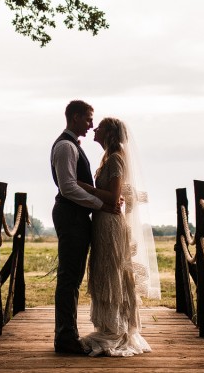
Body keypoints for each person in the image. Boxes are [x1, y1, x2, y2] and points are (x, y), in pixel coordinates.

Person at [77, 117, 161, 357]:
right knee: (106, 272)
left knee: (112, 273)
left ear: (110, 133)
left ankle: (116, 329)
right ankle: (109, 325)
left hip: (110, 223)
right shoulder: (108, 158)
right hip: (102, 220)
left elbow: (114, 197)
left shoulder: (115, 159)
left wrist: (86, 187)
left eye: (100, 127)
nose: (94, 129)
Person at [50, 100, 120, 354]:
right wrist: (100, 204)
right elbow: (68, 187)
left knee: (73, 277)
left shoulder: (72, 146)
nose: (91, 124)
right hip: (71, 216)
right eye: (89, 119)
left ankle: (68, 334)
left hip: (76, 216)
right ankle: (65, 338)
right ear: (75, 117)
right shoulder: (66, 147)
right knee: (69, 278)